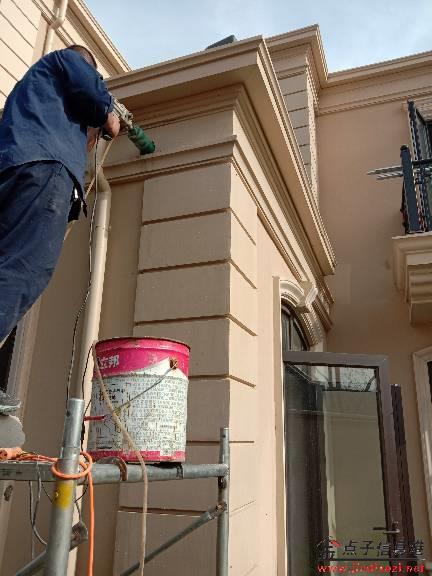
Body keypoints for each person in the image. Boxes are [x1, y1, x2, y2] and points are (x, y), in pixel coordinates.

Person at [0, 45, 120, 412]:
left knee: (7, 264)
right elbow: (92, 91)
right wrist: (109, 112)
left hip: (15, 172)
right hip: (45, 172)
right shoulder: (67, 61)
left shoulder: (30, 93)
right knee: (25, 269)